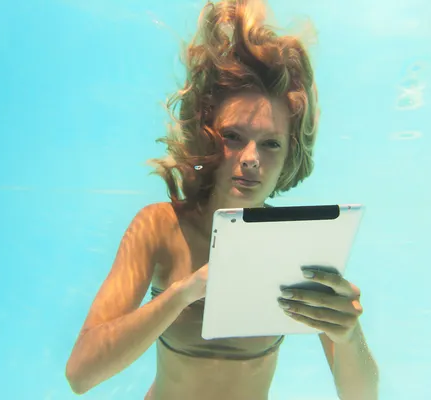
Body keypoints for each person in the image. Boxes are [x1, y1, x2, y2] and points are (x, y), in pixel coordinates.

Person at [65, 1, 379, 399]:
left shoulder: (297, 244)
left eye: (270, 144)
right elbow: (80, 374)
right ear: (207, 136)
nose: (250, 159)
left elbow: (363, 396)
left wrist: (350, 335)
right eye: (233, 136)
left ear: (288, 158)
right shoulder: (160, 227)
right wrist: (183, 293)